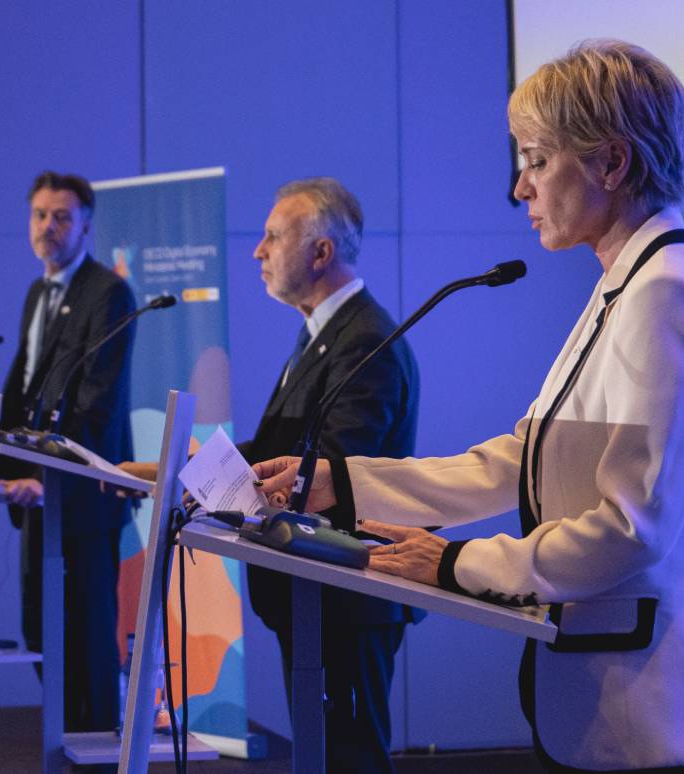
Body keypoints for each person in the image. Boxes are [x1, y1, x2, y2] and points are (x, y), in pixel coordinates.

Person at [253, 42, 684, 773]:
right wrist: (341, 486)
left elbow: (634, 528)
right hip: (622, 719)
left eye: (536, 159)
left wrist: (459, 563)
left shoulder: (667, 295)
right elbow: (523, 458)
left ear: (612, 164)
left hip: (676, 723)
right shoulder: (621, 287)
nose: (519, 188)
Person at [124, 177, 420, 773]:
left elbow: (328, 474)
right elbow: (279, 449)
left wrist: (193, 475)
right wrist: (169, 468)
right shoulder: (320, 334)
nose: (257, 251)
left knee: (351, 758)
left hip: (346, 595)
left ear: (320, 253)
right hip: (310, 589)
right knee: (322, 753)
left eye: (272, 237)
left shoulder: (367, 342)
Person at [0, 170, 136, 733]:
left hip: (82, 496)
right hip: (36, 495)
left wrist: (46, 476)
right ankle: (65, 741)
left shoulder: (108, 293)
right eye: (39, 215)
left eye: (61, 217)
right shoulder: (38, 292)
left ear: (85, 226)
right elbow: (27, 392)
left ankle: (95, 753)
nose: (47, 227)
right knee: (40, 630)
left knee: (87, 641)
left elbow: (94, 405)